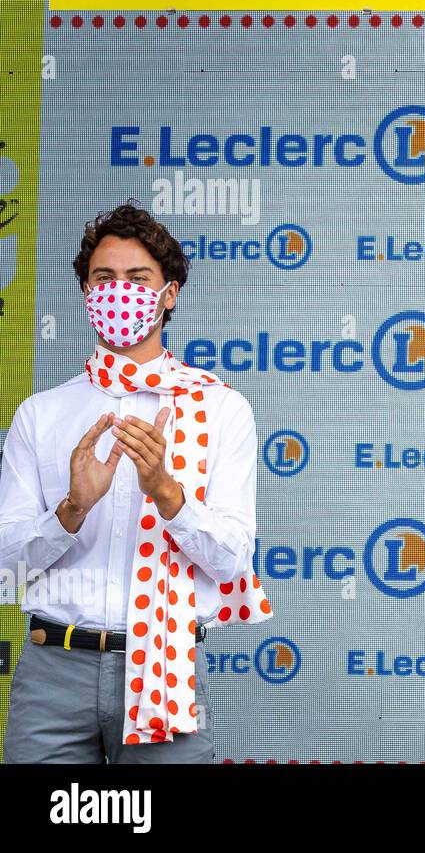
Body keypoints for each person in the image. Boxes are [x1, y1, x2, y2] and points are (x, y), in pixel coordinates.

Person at [0, 202, 270, 763]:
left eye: (137, 278)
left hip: (164, 667)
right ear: (85, 292)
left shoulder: (219, 410)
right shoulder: (41, 415)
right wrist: (71, 509)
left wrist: (168, 494)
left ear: (168, 294)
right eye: (104, 278)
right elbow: (8, 569)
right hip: (54, 671)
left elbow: (233, 562)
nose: (118, 290)